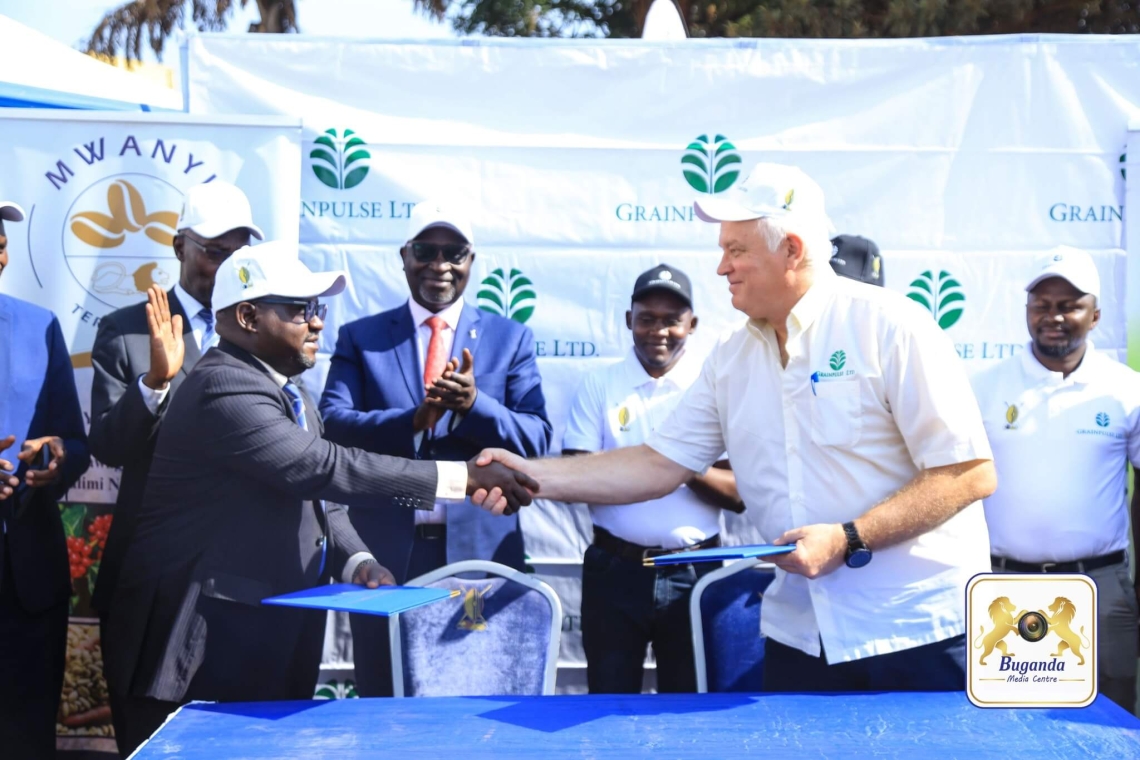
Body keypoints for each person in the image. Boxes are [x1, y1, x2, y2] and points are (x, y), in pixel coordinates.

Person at [474, 163, 998, 693]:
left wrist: (848, 539)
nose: (722, 267)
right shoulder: (732, 356)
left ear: (792, 250)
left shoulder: (892, 325)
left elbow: (968, 474)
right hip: (799, 637)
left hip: (918, 634)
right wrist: (530, 474)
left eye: (737, 250)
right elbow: (657, 464)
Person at [101, 242, 536, 756]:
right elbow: (323, 468)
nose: (316, 323)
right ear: (247, 316)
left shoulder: (291, 393)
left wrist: (359, 562)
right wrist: (461, 477)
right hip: (201, 650)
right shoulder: (224, 385)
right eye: (301, 309)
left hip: (266, 641)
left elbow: (324, 503)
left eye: (319, 309)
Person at [319, 199, 551, 696]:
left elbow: (536, 438)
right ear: (404, 255)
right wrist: (413, 420)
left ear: (471, 261)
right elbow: (333, 426)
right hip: (385, 554)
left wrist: (474, 406)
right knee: (384, 695)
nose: (439, 264)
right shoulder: (362, 338)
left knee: (474, 695)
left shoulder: (511, 339)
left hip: (480, 554)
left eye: (454, 252)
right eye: (425, 250)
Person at [88, 180, 263, 752]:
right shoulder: (124, 330)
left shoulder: (263, 331)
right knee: (151, 744)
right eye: (213, 249)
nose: (224, 263)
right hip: (152, 586)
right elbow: (108, 449)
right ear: (177, 244)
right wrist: (155, 384)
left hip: (242, 589)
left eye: (237, 251)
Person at [971, 247, 1140, 714]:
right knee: (1011, 727)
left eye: (1069, 305)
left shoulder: (1128, 390)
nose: (1054, 317)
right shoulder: (981, 387)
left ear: (1096, 314)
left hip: (1099, 586)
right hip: (1001, 586)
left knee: (1110, 721)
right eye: (1041, 305)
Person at [562, 263, 741, 694]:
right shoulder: (600, 385)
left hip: (695, 571)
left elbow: (738, 495)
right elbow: (575, 477)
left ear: (692, 324)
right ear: (629, 320)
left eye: (671, 321)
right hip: (615, 572)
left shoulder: (712, 387)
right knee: (607, 704)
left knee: (689, 706)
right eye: (646, 318)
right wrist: (662, 460)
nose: (657, 330)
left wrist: (669, 461)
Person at [0, 201, 90, 759]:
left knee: (26, 740)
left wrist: (60, 457)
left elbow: (75, 442)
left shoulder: (40, 326)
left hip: (27, 583)